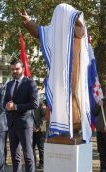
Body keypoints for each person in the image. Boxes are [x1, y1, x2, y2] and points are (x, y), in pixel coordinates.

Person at [18, 4, 91, 141]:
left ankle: (74, 125)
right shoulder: (54, 31)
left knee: (72, 97)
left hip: (73, 72)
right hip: (58, 73)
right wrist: (28, 20)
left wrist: (72, 19)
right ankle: (59, 128)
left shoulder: (76, 29)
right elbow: (38, 32)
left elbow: (80, 30)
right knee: (58, 97)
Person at [4, 59, 38, 172]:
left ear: (23, 69)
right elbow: (5, 102)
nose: (14, 71)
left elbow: (34, 103)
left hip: (25, 124)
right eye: (12, 69)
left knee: (28, 156)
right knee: (15, 156)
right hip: (12, 124)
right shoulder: (8, 84)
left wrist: (16, 107)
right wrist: (7, 106)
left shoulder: (30, 83)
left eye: (17, 69)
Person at [33, 98, 46, 169]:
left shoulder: (42, 103)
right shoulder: (29, 102)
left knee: (41, 148)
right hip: (31, 130)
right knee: (31, 148)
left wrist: (39, 128)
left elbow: (44, 117)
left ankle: (42, 163)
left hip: (41, 130)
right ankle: (33, 163)